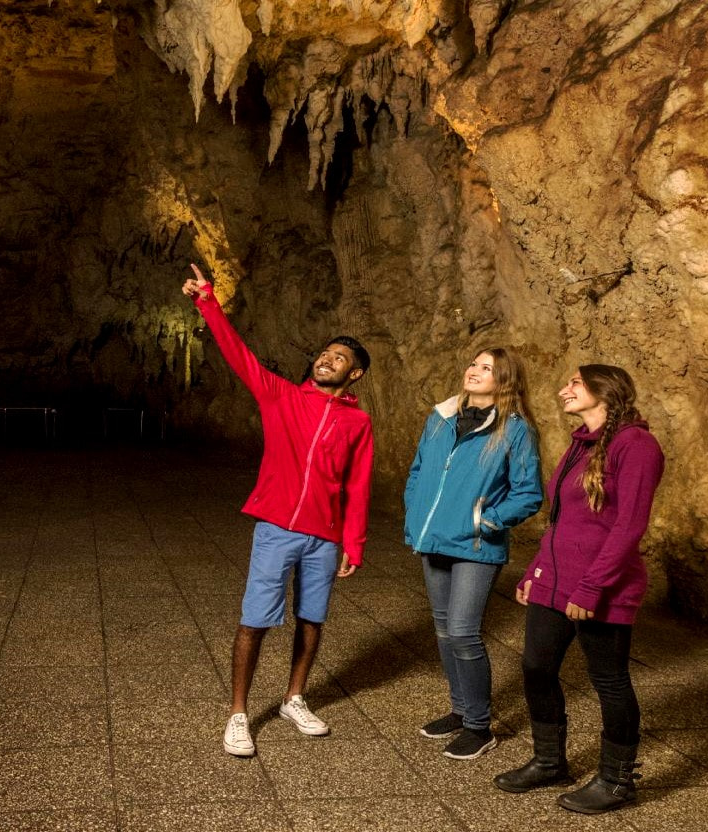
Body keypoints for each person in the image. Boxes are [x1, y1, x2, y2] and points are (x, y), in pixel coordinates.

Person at [182, 264, 375, 759]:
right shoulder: (281, 396)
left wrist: (353, 543)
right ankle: (238, 713)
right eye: (325, 353)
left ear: (354, 374)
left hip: (324, 537)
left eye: (339, 358)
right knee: (255, 620)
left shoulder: (358, 422)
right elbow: (239, 356)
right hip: (277, 530)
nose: (326, 359)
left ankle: (294, 698)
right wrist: (208, 303)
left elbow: (358, 486)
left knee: (312, 619)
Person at [493, 364, 665, 814]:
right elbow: (561, 521)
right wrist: (535, 570)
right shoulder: (580, 443)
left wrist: (591, 589)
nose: (563, 390)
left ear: (604, 390)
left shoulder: (636, 445)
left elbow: (629, 526)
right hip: (556, 579)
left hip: (601, 586)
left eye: (574, 382)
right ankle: (550, 761)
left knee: (609, 680)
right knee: (536, 667)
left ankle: (617, 781)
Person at [404, 348, 543, 761]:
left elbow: (528, 492)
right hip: (434, 539)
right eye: (474, 364)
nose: (475, 371)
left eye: (487, 368)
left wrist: (487, 520)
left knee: (463, 631)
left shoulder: (515, 429)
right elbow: (418, 471)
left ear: (505, 381)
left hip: (477, 546)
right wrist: (415, 514)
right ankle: (461, 710)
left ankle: (479, 727)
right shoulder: (440, 417)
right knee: (444, 630)